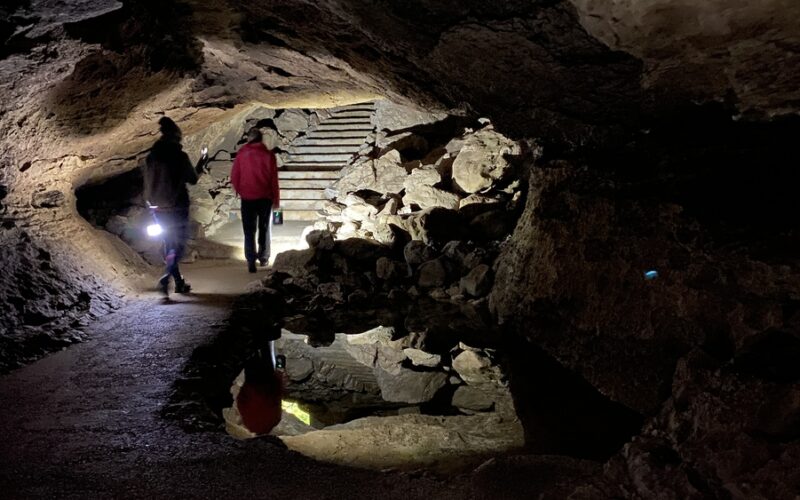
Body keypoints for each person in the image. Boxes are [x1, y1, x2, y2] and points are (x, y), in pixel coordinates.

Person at [142, 116, 208, 296]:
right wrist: (202, 162)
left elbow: (148, 181)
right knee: (178, 246)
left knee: (168, 243)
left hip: (157, 208)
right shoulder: (179, 156)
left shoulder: (152, 156)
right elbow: (192, 179)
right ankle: (167, 277)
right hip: (177, 207)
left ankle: (178, 282)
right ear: (177, 138)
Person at [231, 127, 280, 273]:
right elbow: (274, 180)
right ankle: (264, 258)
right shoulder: (268, 155)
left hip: (247, 198)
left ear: (249, 139)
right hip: (265, 197)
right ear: (261, 139)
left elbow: (235, 175)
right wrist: (276, 200)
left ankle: (251, 261)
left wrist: (239, 190)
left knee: (249, 230)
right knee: (264, 228)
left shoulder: (242, 154)